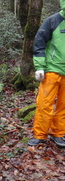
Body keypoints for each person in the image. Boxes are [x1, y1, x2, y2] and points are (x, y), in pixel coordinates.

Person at [28, 1, 65, 147]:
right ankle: (40, 135)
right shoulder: (53, 21)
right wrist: (40, 67)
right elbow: (39, 43)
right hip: (52, 70)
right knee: (44, 104)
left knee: (63, 106)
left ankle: (58, 134)